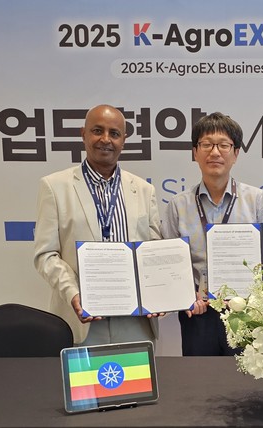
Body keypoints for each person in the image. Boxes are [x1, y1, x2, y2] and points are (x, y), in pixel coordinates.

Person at [34, 104, 162, 345]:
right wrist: (73, 293)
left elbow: (153, 252)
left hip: (135, 324)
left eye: (114, 133)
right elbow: (46, 255)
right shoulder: (54, 187)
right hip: (82, 322)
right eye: (97, 131)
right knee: (84, 374)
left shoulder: (144, 190)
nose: (105, 139)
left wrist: (159, 292)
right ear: (83, 134)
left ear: (123, 140)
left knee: (137, 373)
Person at [161, 112, 263, 356]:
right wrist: (186, 295)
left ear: (235, 153)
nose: (215, 152)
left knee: (247, 378)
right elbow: (168, 264)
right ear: (195, 152)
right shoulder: (178, 205)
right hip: (199, 313)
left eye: (223, 145)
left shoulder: (256, 200)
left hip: (248, 313)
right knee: (201, 377)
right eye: (206, 144)